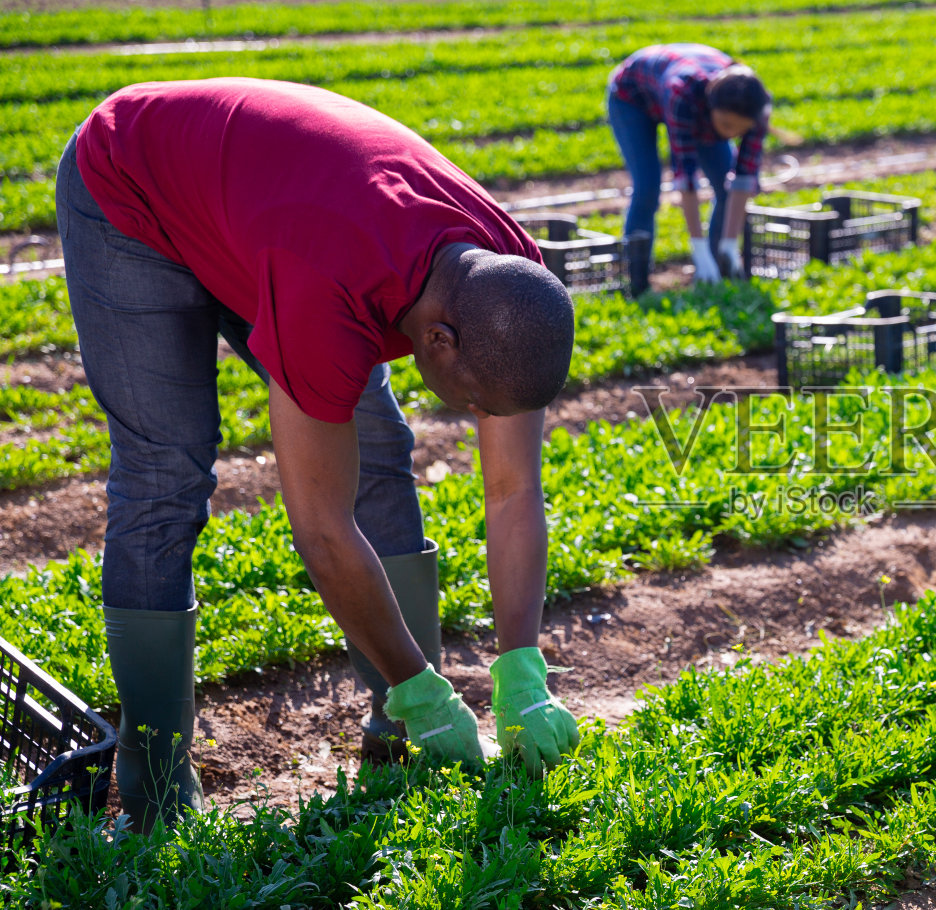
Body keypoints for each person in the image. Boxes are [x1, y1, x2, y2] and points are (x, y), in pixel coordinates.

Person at [57, 77, 580, 832]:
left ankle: (399, 741)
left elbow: (511, 490)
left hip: (263, 203)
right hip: (132, 190)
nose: (474, 419)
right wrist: (422, 687)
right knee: (165, 474)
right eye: (471, 403)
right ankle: (153, 792)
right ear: (437, 339)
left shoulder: (507, 283)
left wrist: (522, 667)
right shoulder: (328, 287)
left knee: (378, 448)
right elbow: (322, 530)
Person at [606, 44, 772, 293]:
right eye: (726, 125)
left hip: (684, 98)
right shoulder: (683, 93)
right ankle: (635, 279)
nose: (731, 134)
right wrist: (698, 247)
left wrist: (730, 242)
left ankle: (718, 267)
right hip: (632, 96)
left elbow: (743, 178)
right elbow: (686, 176)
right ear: (711, 107)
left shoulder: (757, 108)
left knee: (724, 186)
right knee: (647, 187)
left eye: (740, 129)